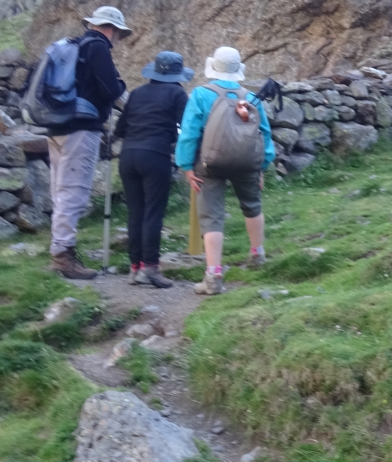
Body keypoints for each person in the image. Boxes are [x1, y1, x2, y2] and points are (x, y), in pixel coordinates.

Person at [175, 47, 275, 296]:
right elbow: (264, 133)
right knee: (252, 205)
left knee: (212, 217)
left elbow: (189, 133)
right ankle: (257, 255)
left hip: (208, 164)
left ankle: (214, 276)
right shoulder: (250, 97)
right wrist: (261, 166)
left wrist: (186, 166)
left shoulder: (201, 94)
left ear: (213, 67)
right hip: (246, 163)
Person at [46, 6, 130, 280]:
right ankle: (63, 256)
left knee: (60, 190)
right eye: (119, 34)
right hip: (82, 129)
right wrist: (122, 91)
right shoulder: (98, 47)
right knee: (74, 191)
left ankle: (61, 249)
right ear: (112, 29)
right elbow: (109, 89)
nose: (117, 39)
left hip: (57, 125)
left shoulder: (73, 46)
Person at [114, 51, 193, 288]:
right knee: (153, 213)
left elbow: (120, 129)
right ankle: (150, 267)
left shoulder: (137, 93)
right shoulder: (177, 93)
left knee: (135, 212)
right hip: (155, 155)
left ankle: (134, 268)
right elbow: (188, 126)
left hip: (128, 155)